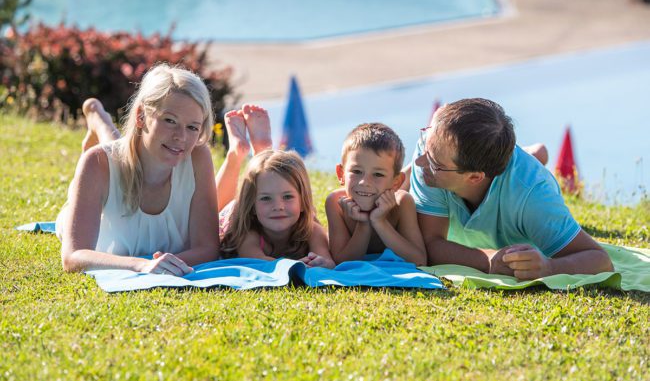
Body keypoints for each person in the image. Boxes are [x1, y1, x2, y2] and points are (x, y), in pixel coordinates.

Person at [403, 98, 613, 279]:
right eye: (425, 147)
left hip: (520, 184)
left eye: (434, 163)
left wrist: (551, 267)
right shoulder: (434, 148)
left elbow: (600, 260)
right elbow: (429, 244)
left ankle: (533, 156)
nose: (421, 162)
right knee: (395, 183)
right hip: (494, 171)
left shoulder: (534, 196)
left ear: (474, 177)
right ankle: (533, 154)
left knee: (525, 171)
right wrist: (489, 260)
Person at [57, 64, 219, 276]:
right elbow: (73, 257)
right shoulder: (96, 163)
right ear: (141, 115)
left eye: (192, 127)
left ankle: (101, 122)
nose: (181, 137)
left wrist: (168, 263)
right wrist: (141, 265)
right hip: (104, 172)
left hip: (134, 151)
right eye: (170, 121)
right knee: (113, 154)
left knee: (124, 147)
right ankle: (98, 117)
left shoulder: (197, 156)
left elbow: (208, 248)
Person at [219, 141, 335, 268]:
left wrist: (320, 262)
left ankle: (260, 144)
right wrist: (293, 265)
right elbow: (256, 261)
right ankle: (238, 150)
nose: (278, 206)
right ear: (252, 206)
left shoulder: (312, 230)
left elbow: (328, 262)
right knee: (213, 212)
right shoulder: (248, 232)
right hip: (229, 217)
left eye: (287, 197)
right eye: (266, 198)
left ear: (303, 202)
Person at [326, 123, 426, 265]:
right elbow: (341, 262)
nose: (364, 182)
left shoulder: (402, 203)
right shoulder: (336, 203)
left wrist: (380, 222)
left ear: (396, 182)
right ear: (341, 174)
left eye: (378, 174)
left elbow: (419, 260)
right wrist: (363, 224)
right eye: (356, 171)